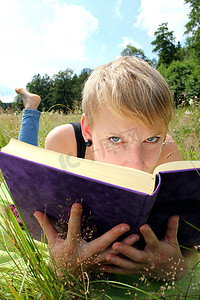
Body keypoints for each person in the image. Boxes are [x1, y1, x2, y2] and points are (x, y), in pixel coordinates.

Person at [16, 56, 199, 280]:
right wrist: (63, 268)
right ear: (88, 131)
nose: (135, 163)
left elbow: (188, 239)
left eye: (151, 139)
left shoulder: (168, 149)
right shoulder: (64, 142)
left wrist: (178, 267)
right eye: (115, 139)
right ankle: (30, 107)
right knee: (23, 158)